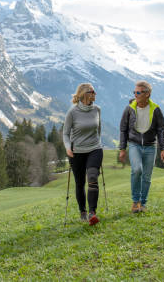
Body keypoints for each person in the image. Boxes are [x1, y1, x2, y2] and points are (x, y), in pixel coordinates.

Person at [119, 80, 164, 213]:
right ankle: (135, 202)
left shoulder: (155, 109)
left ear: (147, 94)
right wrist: (122, 148)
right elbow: (123, 129)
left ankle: (143, 203)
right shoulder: (130, 108)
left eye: (138, 92)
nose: (135, 94)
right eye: (134, 92)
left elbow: (161, 130)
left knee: (146, 177)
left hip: (150, 146)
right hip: (134, 145)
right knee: (136, 170)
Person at [63, 83, 103, 225]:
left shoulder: (97, 109)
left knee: (92, 176)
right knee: (80, 183)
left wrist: (99, 144)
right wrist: (68, 147)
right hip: (77, 152)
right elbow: (66, 134)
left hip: (95, 149)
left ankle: (92, 212)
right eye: (92, 91)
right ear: (84, 94)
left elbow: (99, 130)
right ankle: (83, 211)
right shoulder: (72, 112)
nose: (95, 94)